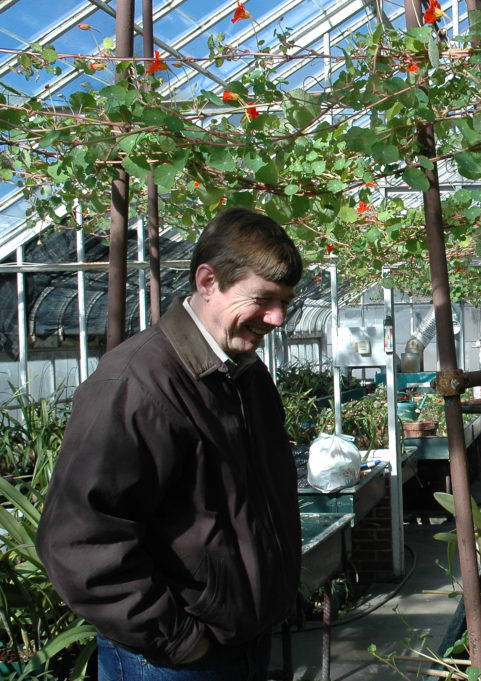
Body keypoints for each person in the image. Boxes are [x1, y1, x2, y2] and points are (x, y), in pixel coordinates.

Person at [36, 206, 304, 680]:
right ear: (207, 282)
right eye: (263, 299)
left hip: (239, 644)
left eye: (285, 302)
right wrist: (179, 639)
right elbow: (78, 538)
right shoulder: (137, 384)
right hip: (168, 660)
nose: (277, 318)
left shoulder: (247, 377)